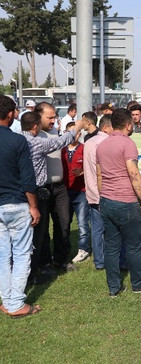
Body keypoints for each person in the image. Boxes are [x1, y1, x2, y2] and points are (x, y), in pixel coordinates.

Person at [96, 108, 141, 296]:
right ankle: (138, 283)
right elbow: (133, 173)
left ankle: (114, 287)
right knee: (133, 245)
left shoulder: (102, 145)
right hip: (125, 201)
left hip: (106, 199)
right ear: (128, 124)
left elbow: (99, 174)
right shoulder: (127, 143)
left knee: (112, 246)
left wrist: (103, 196)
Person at [20, 109, 82, 283]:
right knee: (41, 230)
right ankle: (42, 265)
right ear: (37, 122)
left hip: (58, 186)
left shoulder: (52, 132)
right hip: (40, 190)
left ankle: (61, 259)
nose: (54, 120)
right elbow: (62, 142)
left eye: (55, 116)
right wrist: (77, 127)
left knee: (63, 223)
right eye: (50, 117)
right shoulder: (36, 140)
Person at [0, 95, 41, 318]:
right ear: (10, 114)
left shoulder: (17, 140)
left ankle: (8, 300)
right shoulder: (18, 141)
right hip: (16, 204)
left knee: (2, 254)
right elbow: (28, 179)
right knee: (22, 253)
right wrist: (33, 206)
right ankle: (15, 303)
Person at [83, 114, 112, 270]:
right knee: (112, 229)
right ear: (106, 127)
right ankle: (111, 259)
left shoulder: (89, 142)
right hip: (106, 190)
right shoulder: (105, 142)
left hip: (92, 191)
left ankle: (99, 261)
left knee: (96, 229)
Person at [61, 122, 91, 264]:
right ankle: (64, 249)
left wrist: (83, 172)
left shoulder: (85, 149)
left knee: (82, 223)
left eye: (77, 132)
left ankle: (83, 249)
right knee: (64, 223)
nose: (74, 135)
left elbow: (92, 168)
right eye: (71, 132)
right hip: (64, 191)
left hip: (80, 191)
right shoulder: (61, 150)